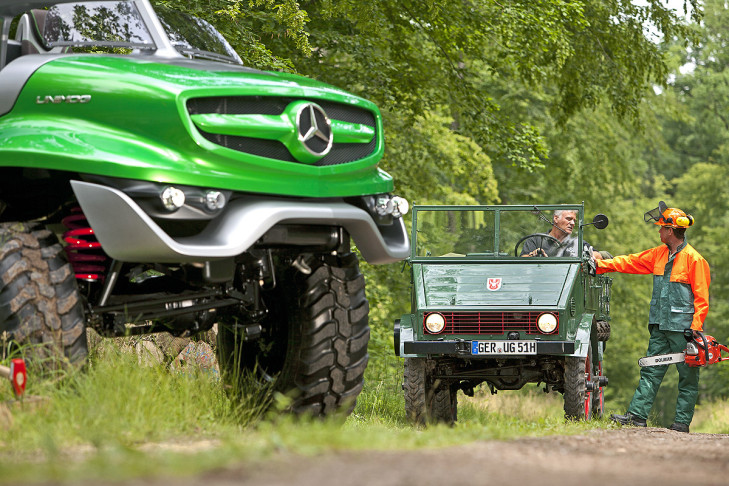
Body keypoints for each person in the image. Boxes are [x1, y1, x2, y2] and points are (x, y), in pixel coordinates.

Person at [597, 202, 710, 433]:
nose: (658, 231)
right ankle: (637, 415)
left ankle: (681, 423)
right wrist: (600, 265)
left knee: (687, 377)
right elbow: (630, 261)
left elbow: (702, 298)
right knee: (650, 369)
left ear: (670, 231)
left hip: (684, 330)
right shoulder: (658, 254)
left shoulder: (694, 260)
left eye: (661, 228)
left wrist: (695, 327)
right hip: (659, 325)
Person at [520, 209, 604, 260]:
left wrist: (584, 256)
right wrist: (535, 257)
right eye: (568, 219)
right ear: (556, 218)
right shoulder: (536, 240)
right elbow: (522, 260)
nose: (572, 223)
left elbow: (598, 256)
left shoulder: (576, 243)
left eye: (574, 220)